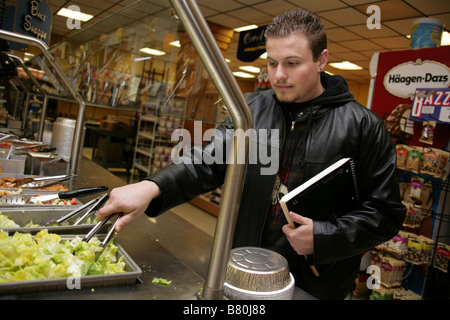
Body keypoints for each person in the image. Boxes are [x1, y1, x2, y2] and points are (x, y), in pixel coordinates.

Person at [98, 8, 405, 299]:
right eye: (272, 63)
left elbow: (385, 213)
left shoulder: (364, 126)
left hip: (317, 283)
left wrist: (325, 237)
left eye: (292, 63)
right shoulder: (250, 111)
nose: (279, 75)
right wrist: (152, 186)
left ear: (322, 60)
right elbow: (207, 162)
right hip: (241, 268)